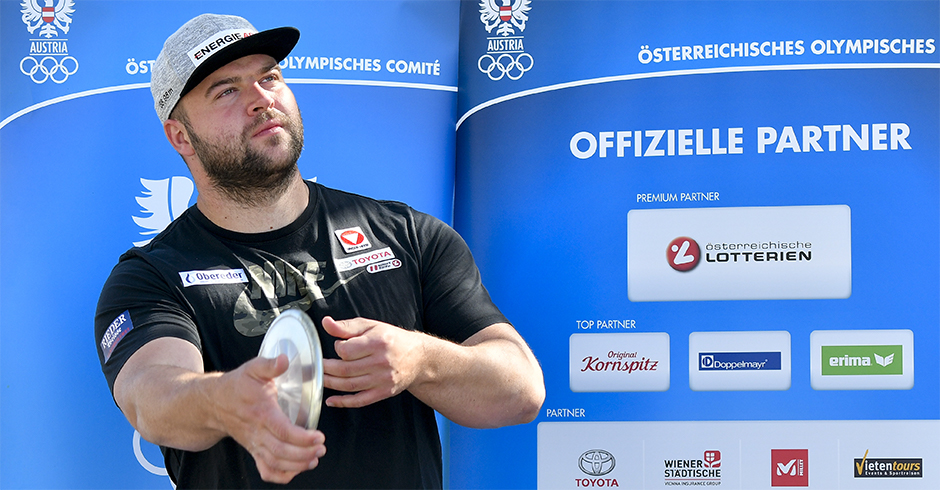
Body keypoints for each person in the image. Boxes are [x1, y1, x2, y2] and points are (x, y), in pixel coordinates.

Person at [94, 13, 545, 489]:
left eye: (269, 77)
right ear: (180, 135)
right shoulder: (152, 276)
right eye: (227, 90)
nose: (261, 99)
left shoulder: (406, 234)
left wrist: (420, 360)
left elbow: (521, 390)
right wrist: (224, 399)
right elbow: (151, 395)